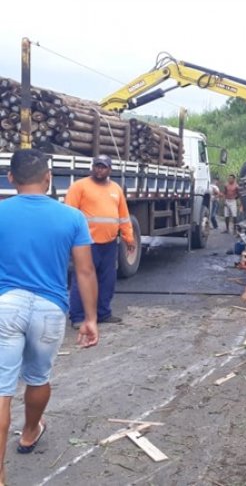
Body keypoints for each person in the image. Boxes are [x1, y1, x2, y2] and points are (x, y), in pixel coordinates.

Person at [0, 149, 99, 483]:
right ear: (48, 178)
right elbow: (84, 272)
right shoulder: (71, 217)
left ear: (10, 178)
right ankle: (29, 432)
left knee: (2, 390)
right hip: (50, 310)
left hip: (6, 306)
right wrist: (89, 318)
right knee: (38, 377)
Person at [65, 155, 136, 328]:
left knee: (108, 280)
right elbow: (68, 215)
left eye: (103, 167)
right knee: (83, 278)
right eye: (97, 166)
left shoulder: (116, 189)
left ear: (109, 170)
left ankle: (103, 313)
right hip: (86, 244)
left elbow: (123, 216)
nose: (99, 170)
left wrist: (129, 238)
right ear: (92, 167)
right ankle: (78, 316)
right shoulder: (79, 187)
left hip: (109, 243)